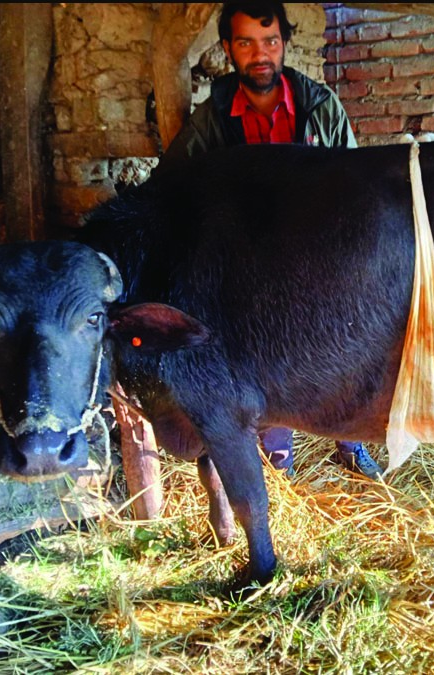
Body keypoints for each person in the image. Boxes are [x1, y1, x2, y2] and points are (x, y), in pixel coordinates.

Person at [159, 2, 381, 480]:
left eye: (270, 42)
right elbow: (170, 185)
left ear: (284, 44)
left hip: (320, 258)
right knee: (268, 365)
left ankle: (352, 443)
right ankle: (281, 467)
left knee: (344, 350)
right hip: (251, 270)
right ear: (228, 50)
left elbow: (360, 189)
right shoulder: (211, 121)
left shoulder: (321, 109)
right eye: (245, 43)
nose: (260, 55)